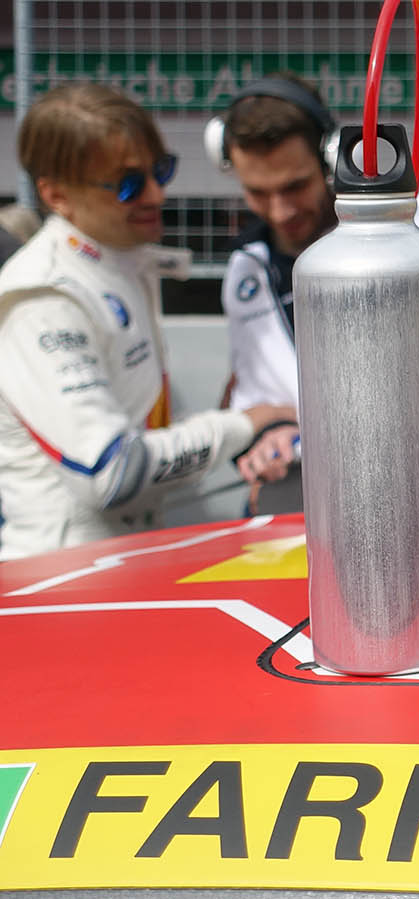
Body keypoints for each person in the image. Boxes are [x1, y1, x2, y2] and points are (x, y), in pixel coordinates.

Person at [211, 76, 419, 506]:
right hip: (306, 505)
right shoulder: (246, 270)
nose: (280, 211)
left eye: (295, 186)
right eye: (258, 193)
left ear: (329, 158)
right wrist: (267, 439)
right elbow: (254, 398)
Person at [0, 83, 294, 558]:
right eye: (127, 184)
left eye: (161, 170)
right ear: (56, 194)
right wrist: (246, 423)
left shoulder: (122, 265)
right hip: (56, 575)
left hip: (121, 561)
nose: (156, 194)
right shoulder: (43, 298)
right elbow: (112, 472)